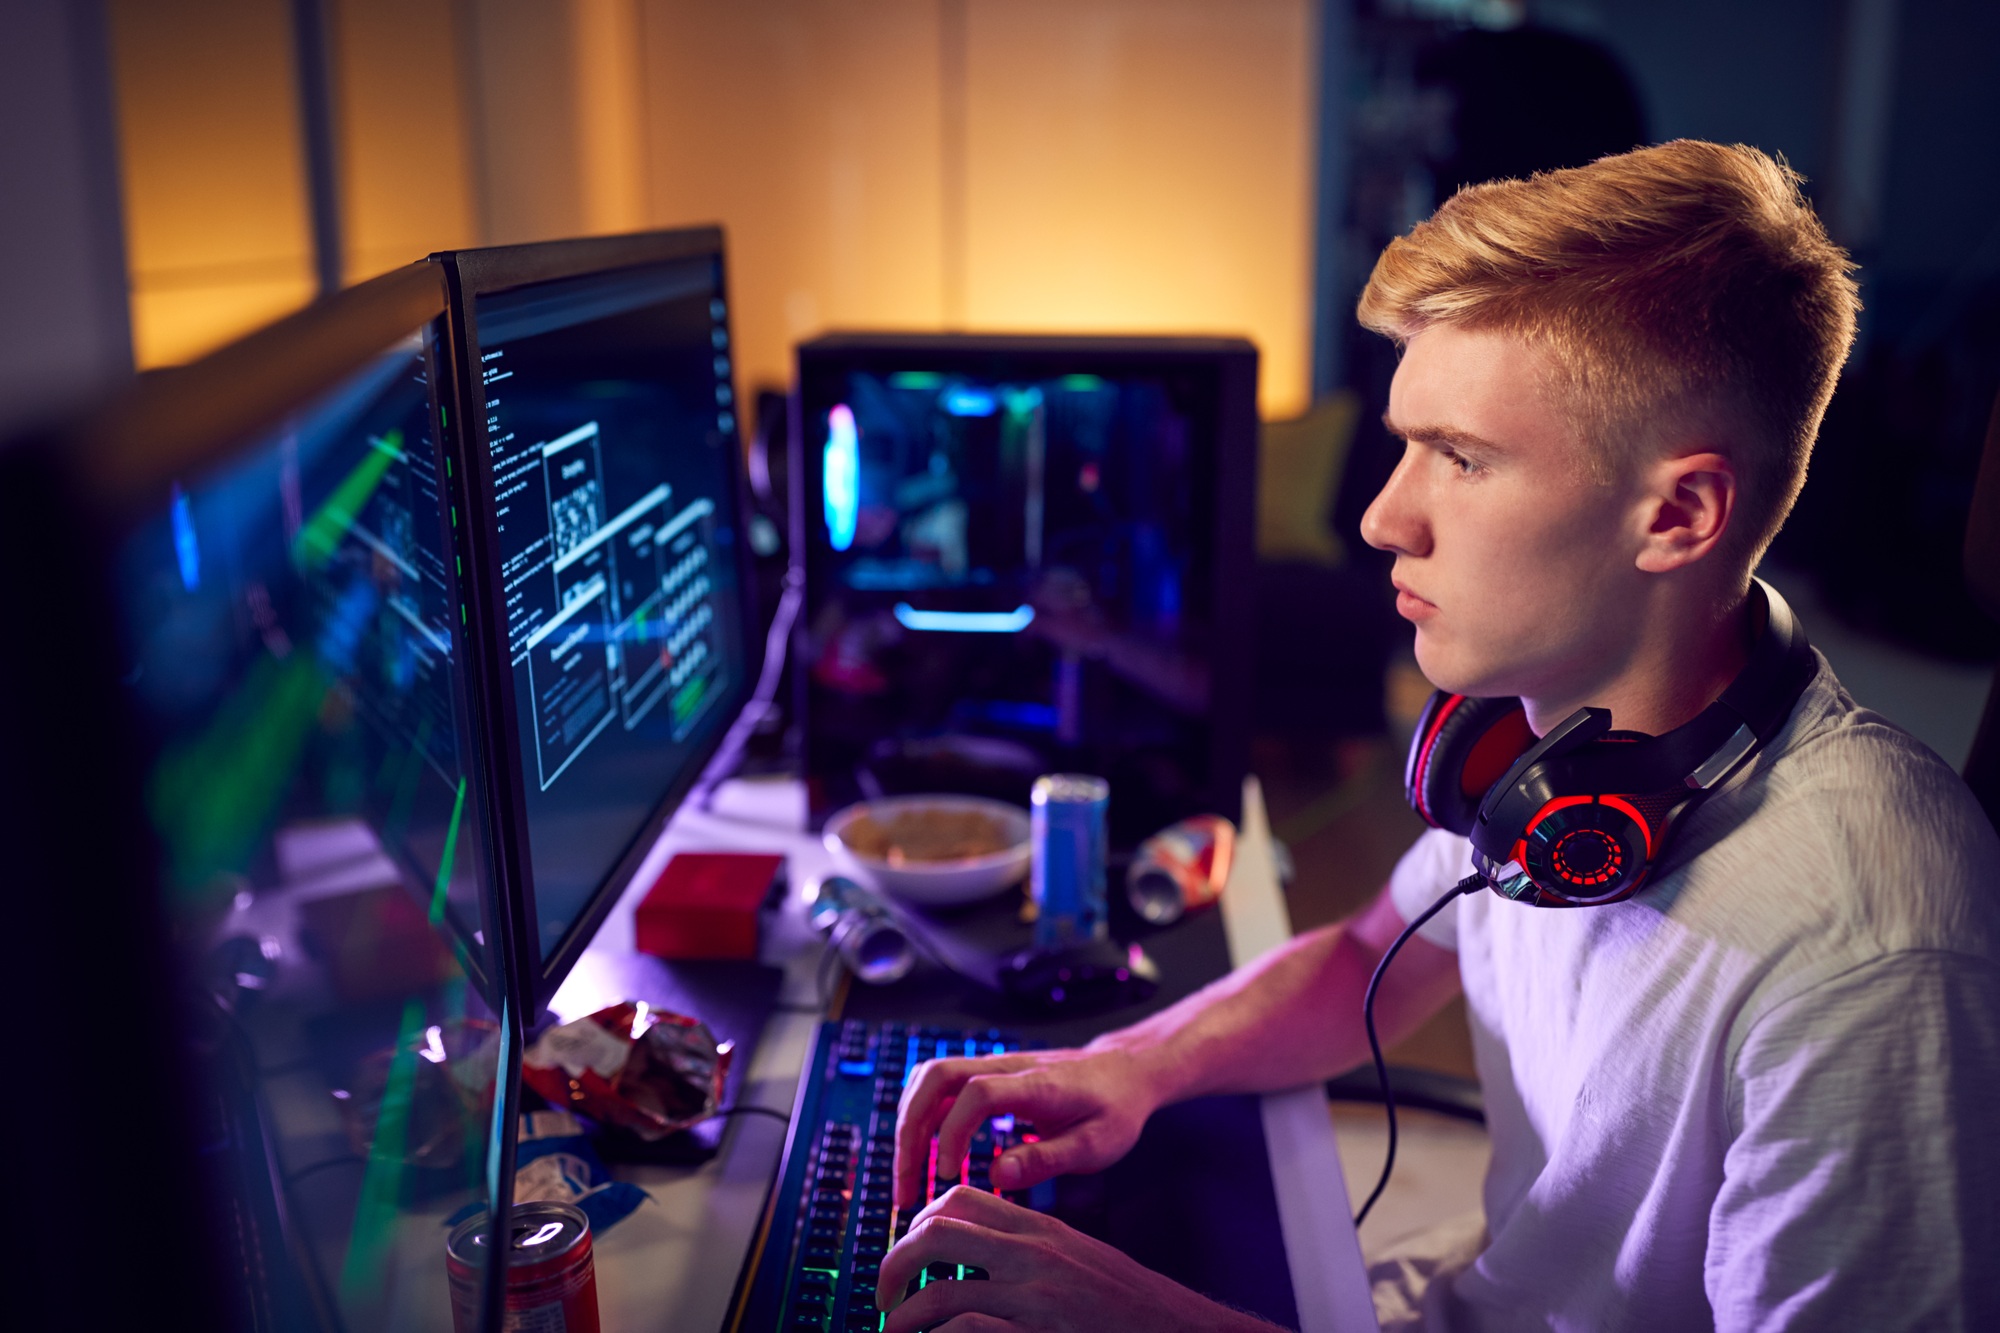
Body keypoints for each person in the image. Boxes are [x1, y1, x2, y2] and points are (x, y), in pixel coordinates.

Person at [872, 140, 2000, 1332]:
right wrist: (1124, 1063)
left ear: (1675, 514)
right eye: (1406, 444)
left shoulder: (1872, 960)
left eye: (1460, 458)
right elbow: (1366, 955)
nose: (1379, 516)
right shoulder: (1548, 766)